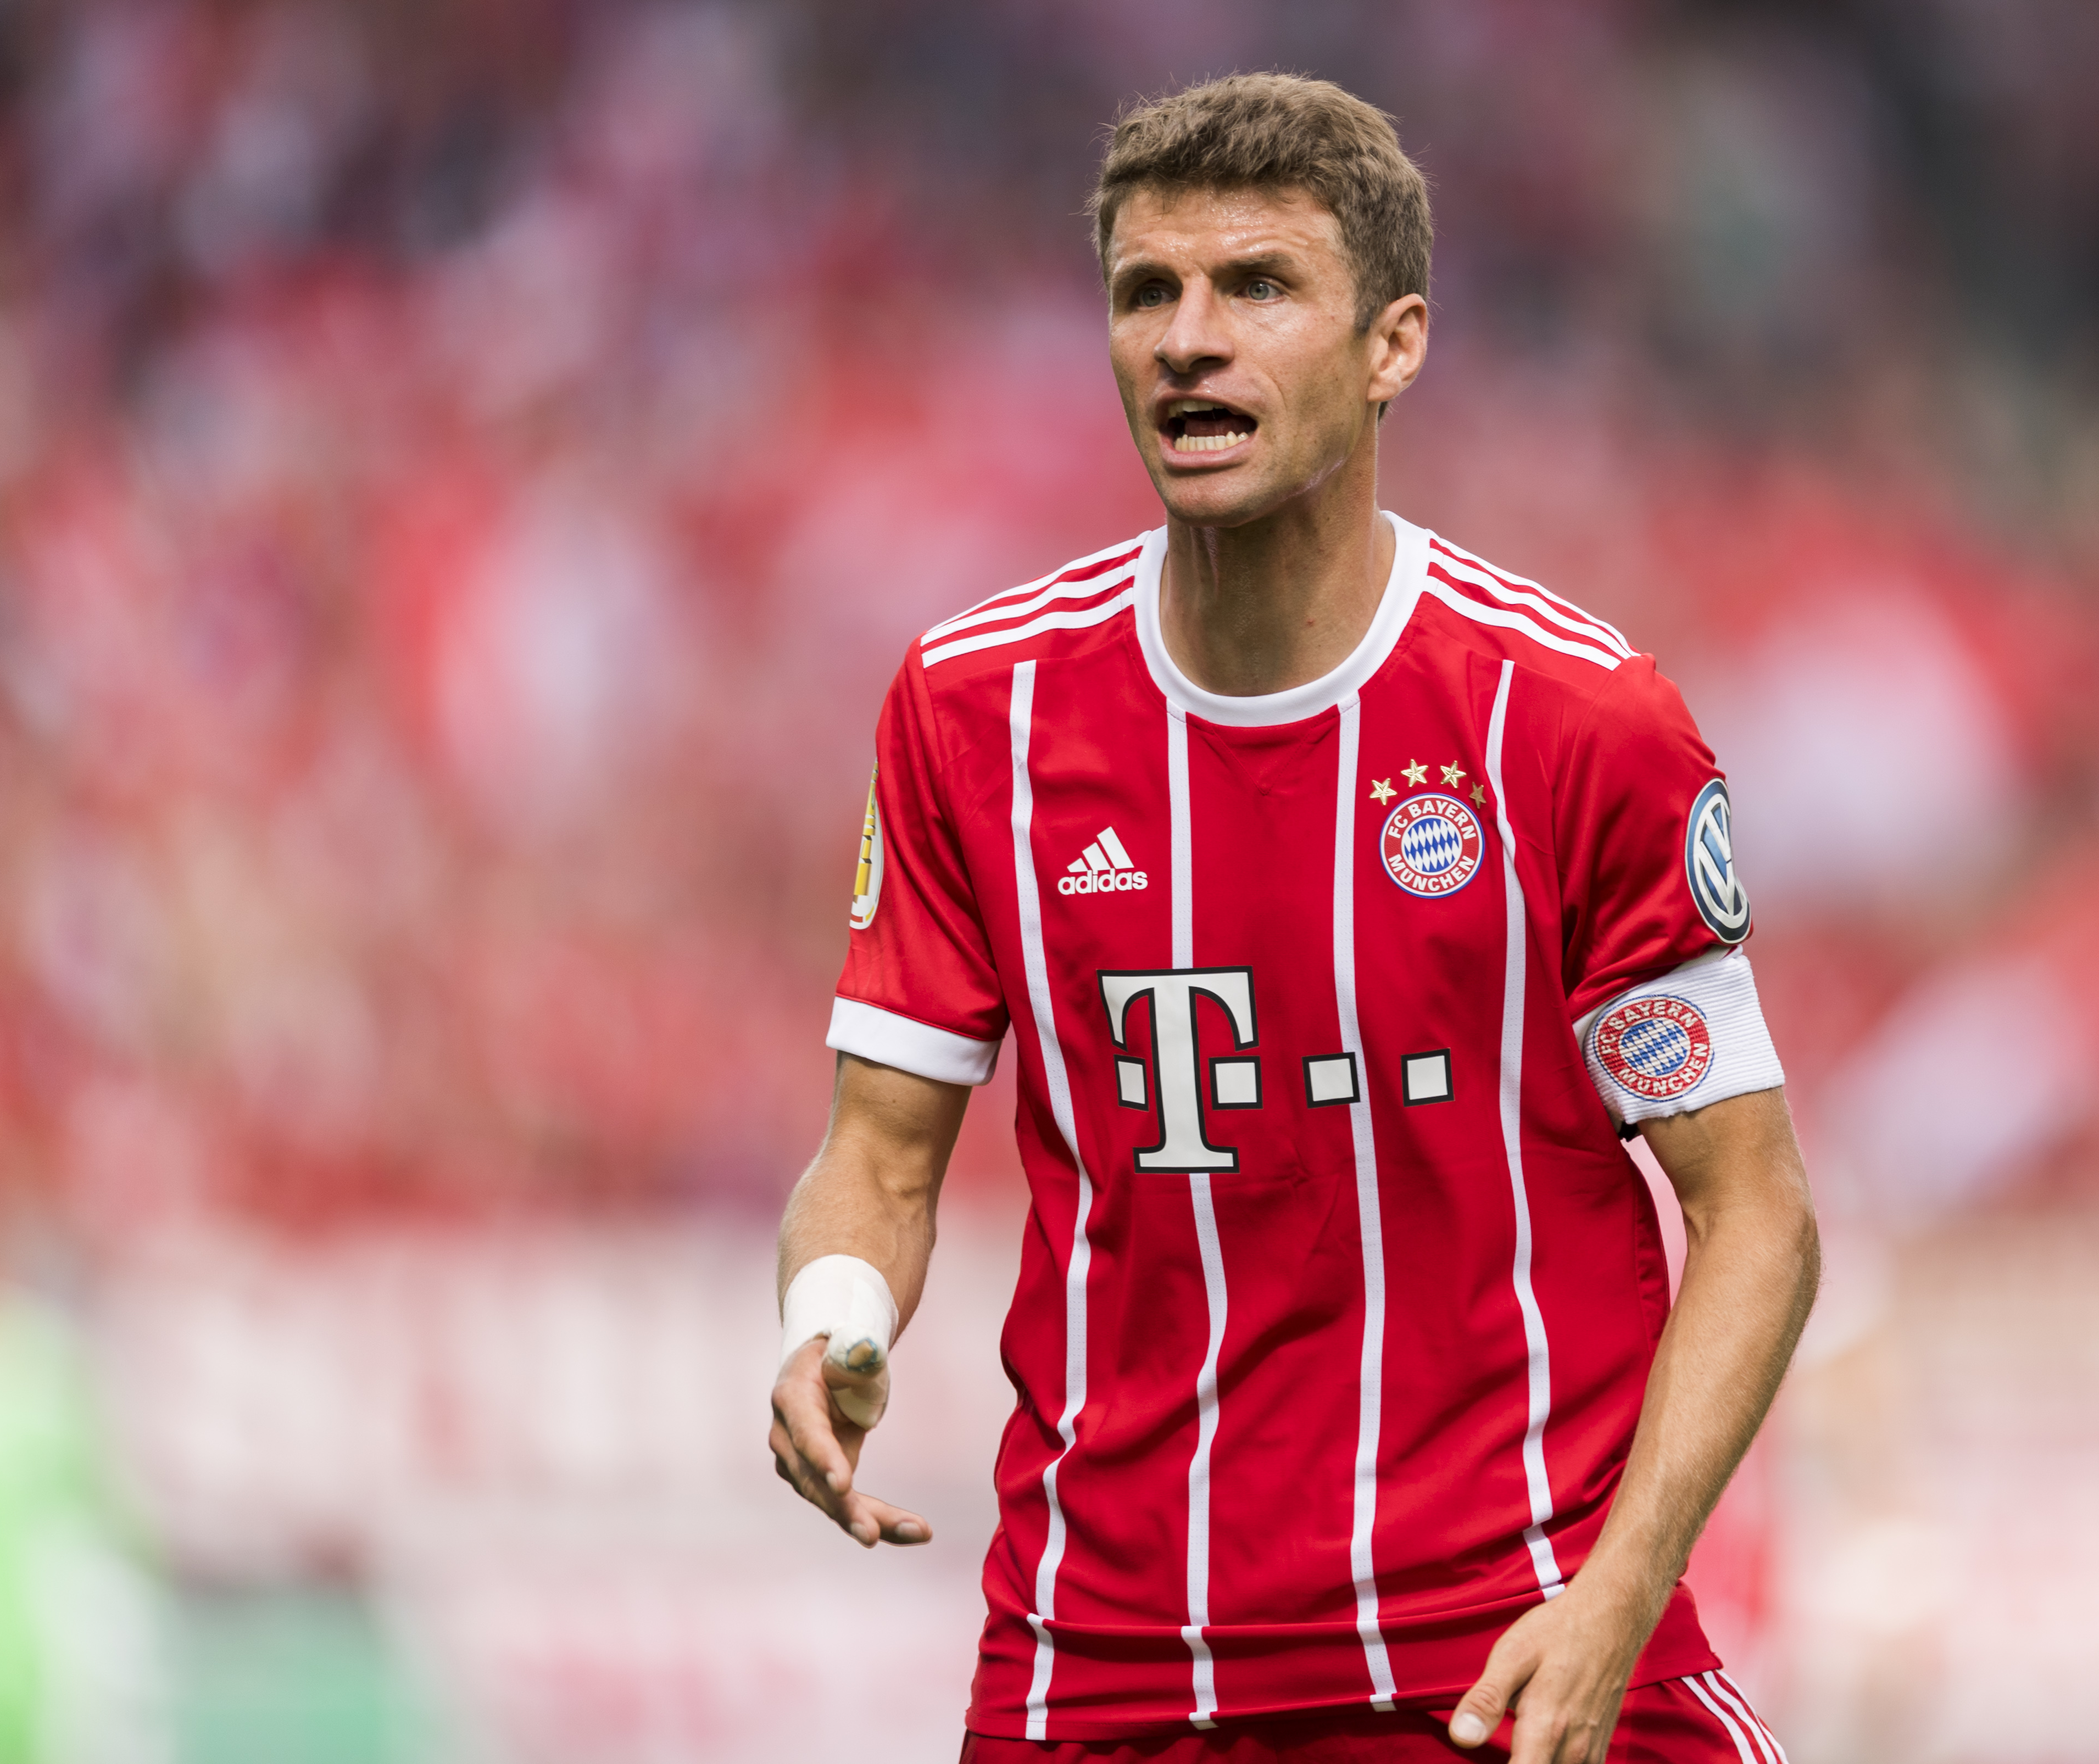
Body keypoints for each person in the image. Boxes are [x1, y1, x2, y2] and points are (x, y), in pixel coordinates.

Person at [769, 72, 1819, 1764]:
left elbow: (1755, 1212)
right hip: (1106, 1659)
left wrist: (1626, 1591)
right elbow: (881, 1155)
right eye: (1146, 294)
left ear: (1394, 344)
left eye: (1256, 287)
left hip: (1509, 1637)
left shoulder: (1570, 719)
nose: (1189, 339)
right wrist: (837, 1316)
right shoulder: (980, 712)